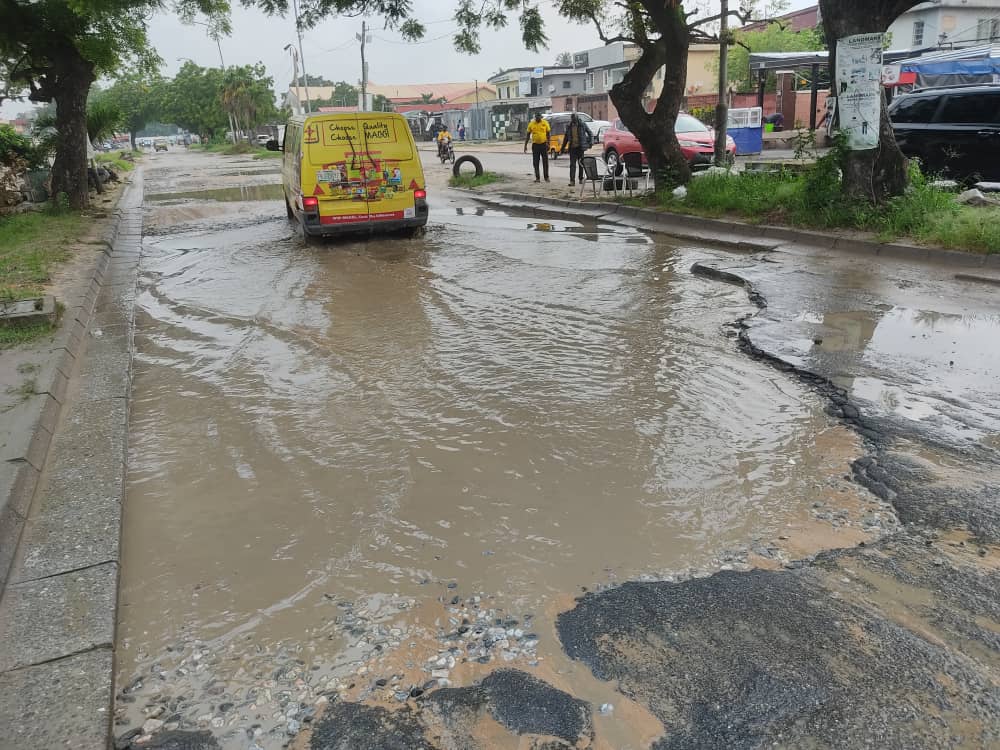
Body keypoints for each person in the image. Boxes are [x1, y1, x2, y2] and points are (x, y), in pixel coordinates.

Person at [559, 113, 592, 186]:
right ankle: (572, 181)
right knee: (572, 165)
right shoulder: (569, 126)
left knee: (581, 164)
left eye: (574, 119)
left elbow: (590, 133)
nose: (573, 121)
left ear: (577, 118)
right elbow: (566, 138)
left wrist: (590, 143)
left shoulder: (582, 125)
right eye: (572, 119)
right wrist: (562, 148)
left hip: (580, 147)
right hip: (572, 148)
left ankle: (581, 178)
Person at [523, 112, 551, 183]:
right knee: (535, 162)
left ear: (541, 117)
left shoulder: (545, 123)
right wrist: (525, 145)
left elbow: (548, 133)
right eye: (537, 117)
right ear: (535, 117)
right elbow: (528, 135)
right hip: (535, 145)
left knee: (545, 162)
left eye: (539, 117)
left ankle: (546, 177)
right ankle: (537, 178)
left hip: (544, 144)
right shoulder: (531, 124)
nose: (538, 118)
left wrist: (548, 143)